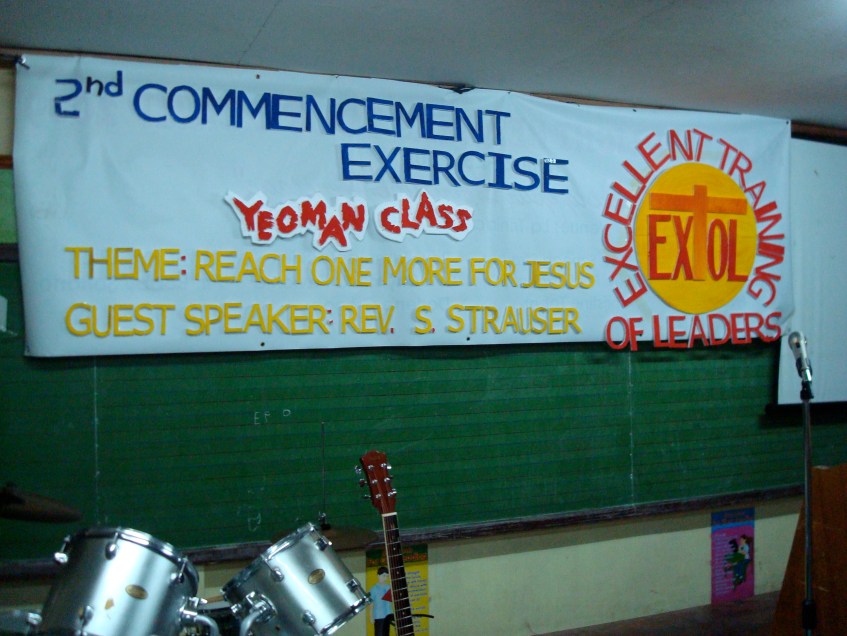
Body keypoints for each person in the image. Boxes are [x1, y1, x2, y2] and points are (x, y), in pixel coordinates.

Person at [369, 566, 394, 636]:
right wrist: (371, 616)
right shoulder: (373, 589)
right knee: (379, 633)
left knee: (386, 633)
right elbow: (371, 603)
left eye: (387, 576)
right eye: (383, 576)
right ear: (378, 576)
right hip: (379, 616)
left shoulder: (389, 587)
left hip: (388, 615)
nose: (385, 578)